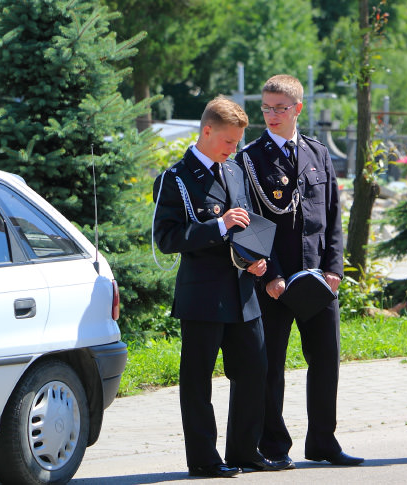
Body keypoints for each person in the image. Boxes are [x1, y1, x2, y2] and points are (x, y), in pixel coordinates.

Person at [152, 96, 292, 478]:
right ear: (208, 131)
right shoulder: (175, 179)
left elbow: (248, 225)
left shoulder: (233, 171)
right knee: (197, 380)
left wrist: (257, 258)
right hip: (203, 294)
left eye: (236, 143)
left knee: (255, 371)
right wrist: (218, 226)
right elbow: (166, 238)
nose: (233, 149)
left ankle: (245, 452)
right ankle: (203, 458)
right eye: (228, 142)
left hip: (243, 291)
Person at [235, 74, 363, 467]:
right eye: (266, 108)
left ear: (298, 110)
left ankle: (323, 440)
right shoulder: (250, 158)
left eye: (280, 108)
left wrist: (335, 268)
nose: (272, 115)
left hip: (319, 279)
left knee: (326, 361)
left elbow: (333, 216)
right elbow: (249, 222)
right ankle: (274, 446)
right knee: (271, 366)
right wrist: (270, 275)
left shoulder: (317, 153)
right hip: (274, 283)